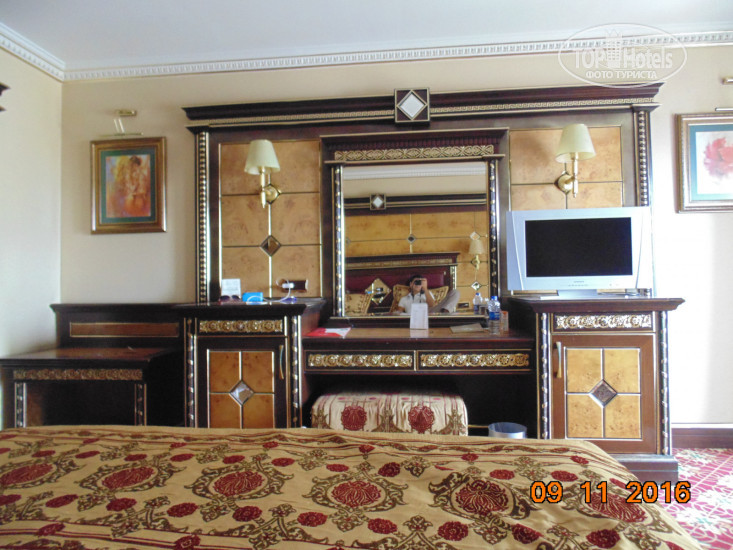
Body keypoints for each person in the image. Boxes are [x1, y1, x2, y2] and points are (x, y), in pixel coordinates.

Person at [393, 274, 460, 314]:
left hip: (429, 314)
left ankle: (445, 313)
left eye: (420, 282)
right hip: (414, 316)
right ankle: (445, 315)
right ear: (411, 284)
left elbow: (432, 305)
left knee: (455, 292)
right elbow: (399, 313)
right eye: (416, 282)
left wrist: (425, 289)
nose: (418, 284)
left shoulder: (427, 293)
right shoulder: (404, 299)